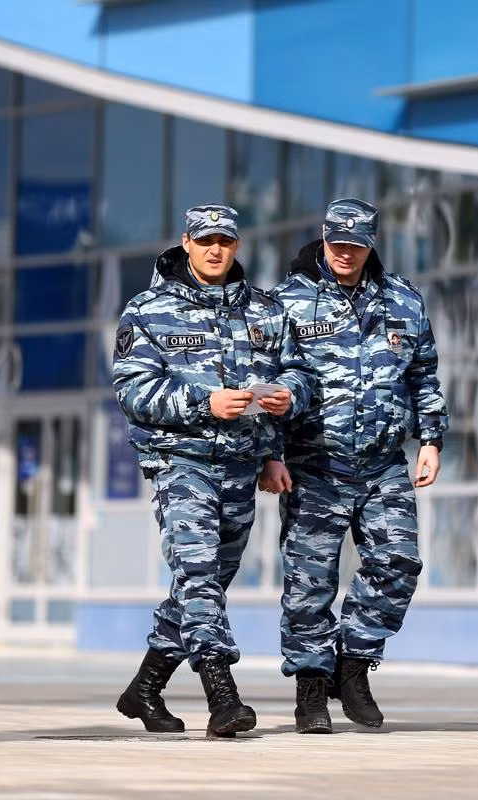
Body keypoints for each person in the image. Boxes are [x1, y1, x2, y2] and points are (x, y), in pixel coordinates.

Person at [112, 204, 312, 739]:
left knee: (203, 584)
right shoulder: (148, 310)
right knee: (198, 573)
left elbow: (294, 372)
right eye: (205, 241)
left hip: (242, 467)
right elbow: (132, 391)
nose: (215, 250)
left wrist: (279, 427)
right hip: (181, 464)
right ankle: (223, 697)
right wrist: (205, 402)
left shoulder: (264, 312)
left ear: (237, 245)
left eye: (224, 240)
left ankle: (145, 689)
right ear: (186, 243)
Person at [259, 198, 448, 734]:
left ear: (371, 245)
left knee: (399, 564)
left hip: (384, 463)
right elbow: (269, 383)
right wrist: (269, 454)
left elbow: (424, 375)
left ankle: (354, 665)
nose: (345, 254)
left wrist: (430, 438)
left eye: (356, 245)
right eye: (337, 243)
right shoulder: (286, 303)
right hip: (314, 463)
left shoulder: (402, 301)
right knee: (310, 582)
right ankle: (311, 691)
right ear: (323, 238)